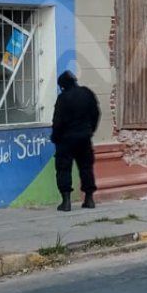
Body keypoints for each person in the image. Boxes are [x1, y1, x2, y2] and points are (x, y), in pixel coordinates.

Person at [51, 70, 101, 211]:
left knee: (63, 169)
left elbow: (57, 121)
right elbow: (96, 113)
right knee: (86, 167)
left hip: (66, 140)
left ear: (63, 86)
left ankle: (66, 201)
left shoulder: (63, 98)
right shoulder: (87, 93)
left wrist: (55, 137)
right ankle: (89, 199)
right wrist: (90, 130)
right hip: (84, 138)